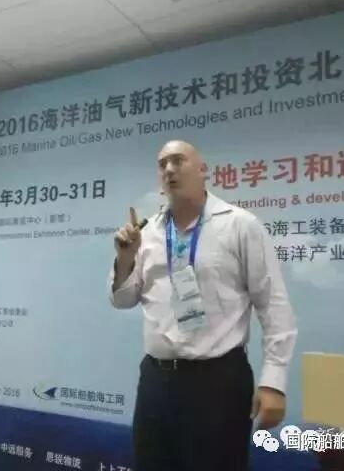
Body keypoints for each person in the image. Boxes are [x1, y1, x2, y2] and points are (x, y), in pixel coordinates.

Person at [108, 140, 297, 471]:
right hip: (156, 381)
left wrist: (273, 382)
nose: (169, 169)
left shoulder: (240, 225)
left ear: (202, 170)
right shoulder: (146, 233)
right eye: (162, 164)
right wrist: (125, 258)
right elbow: (122, 300)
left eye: (178, 160)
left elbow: (273, 304)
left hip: (218, 382)